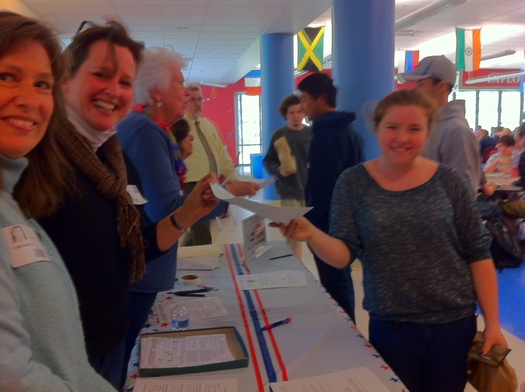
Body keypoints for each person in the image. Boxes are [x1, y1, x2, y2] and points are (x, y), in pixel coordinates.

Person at [15, 23, 219, 389]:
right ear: (65, 83)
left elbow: (129, 251)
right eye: (102, 75)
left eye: (125, 82)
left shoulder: (113, 162)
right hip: (62, 362)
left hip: (106, 342)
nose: (114, 91)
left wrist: (188, 213)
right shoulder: (39, 166)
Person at [272, 89, 507, 392]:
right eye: (392, 127)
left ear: (428, 132)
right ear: (377, 129)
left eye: (414, 129)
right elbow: (344, 255)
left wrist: (493, 324)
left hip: (453, 326)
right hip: (391, 328)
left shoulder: (449, 180)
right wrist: (311, 234)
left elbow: (478, 252)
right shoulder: (354, 183)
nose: (402, 138)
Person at [117, 47, 259, 365]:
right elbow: (166, 209)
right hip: (143, 271)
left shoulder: (147, 128)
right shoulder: (146, 131)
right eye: (179, 83)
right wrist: (223, 197)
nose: (185, 92)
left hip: (140, 266)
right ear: (156, 91)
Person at [0, 11, 115, 390]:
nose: (28, 100)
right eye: (6, 77)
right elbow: (11, 375)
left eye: (41, 84)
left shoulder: (15, 199)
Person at [397, 55, 501, 219]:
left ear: (442, 87)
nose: (415, 90)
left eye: (421, 84)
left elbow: (462, 193)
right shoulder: (432, 126)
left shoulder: (455, 130)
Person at [297, 72, 364, 322]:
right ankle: (349, 329)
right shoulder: (350, 131)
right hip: (347, 218)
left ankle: (346, 335)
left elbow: (323, 187)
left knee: (334, 282)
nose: (302, 107)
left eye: (305, 99)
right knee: (342, 279)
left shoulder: (324, 136)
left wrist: (309, 223)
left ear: (322, 98)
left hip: (328, 222)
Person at [183, 83, 260, 245]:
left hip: (213, 183)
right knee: (200, 226)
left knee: (202, 223)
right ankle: (201, 257)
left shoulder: (208, 125)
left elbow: (222, 154)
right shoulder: (180, 127)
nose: (198, 104)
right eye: (193, 100)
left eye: (200, 99)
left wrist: (233, 178)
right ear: (185, 101)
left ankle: (194, 252)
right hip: (192, 183)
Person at [263, 94, 312, 259]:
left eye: (299, 111)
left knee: (314, 234)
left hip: (311, 192)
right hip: (289, 191)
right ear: (286, 114)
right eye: (292, 112)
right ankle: (297, 271)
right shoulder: (279, 135)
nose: (296, 116)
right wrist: (278, 170)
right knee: (293, 236)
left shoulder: (312, 133)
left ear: (304, 112)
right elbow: (268, 161)